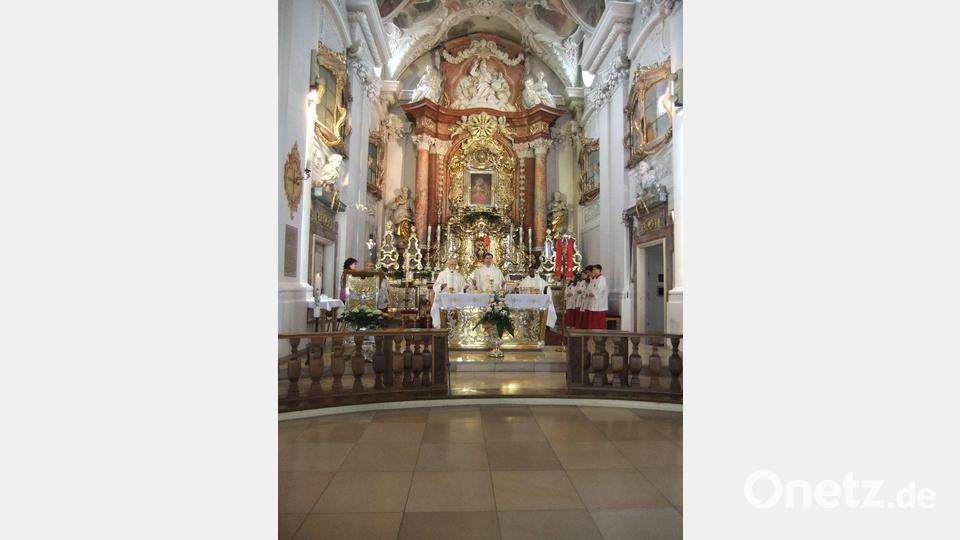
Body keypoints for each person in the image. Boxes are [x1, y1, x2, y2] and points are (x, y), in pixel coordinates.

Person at [584, 264, 608, 329]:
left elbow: (600, 289)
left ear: (599, 270)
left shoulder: (602, 278)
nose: (593, 271)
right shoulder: (594, 279)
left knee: (598, 318)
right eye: (593, 269)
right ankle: (592, 331)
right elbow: (590, 288)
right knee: (593, 317)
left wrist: (593, 294)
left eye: (594, 269)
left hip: (599, 302)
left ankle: (599, 332)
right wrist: (588, 293)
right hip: (593, 301)